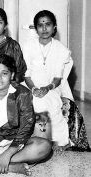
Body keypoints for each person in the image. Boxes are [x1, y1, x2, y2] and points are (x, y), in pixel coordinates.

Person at [22, 10, 91, 151]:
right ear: (36, 29)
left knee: (51, 101)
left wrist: (46, 89)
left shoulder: (61, 49)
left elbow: (58, 78)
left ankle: (59, 140)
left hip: (52, 86)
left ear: (54, 27)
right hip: (30, 85)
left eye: (48, 24)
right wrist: (34, 89)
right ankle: (32, 139)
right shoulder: (28, 46)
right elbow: (26, 74)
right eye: (40, 25)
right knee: (32, 100)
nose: (44, 28)